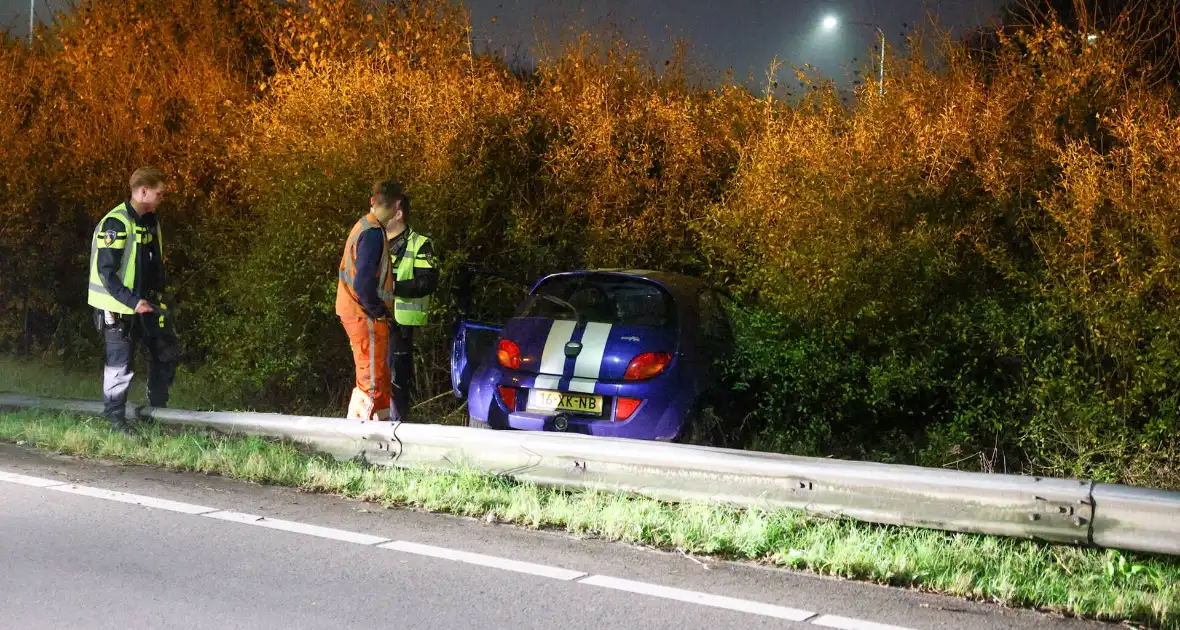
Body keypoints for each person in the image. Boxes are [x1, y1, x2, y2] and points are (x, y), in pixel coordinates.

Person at [86, 167, 177, 435]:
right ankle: (115, 422)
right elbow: (106, 273)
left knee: (166, 351)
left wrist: (157, 296)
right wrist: (133, 301)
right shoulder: (116, 224)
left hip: (144, 303)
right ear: (143, 191)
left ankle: (156, 411)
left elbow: (152, 263)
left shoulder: (150, 220)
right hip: (118, 307)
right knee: (120, 365)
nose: (162, 198)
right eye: (159, 193)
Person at [336, 180, 401, 421]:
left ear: (372, 201)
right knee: (371, 385)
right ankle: (357, 445)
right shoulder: (373, 233)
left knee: (379, 379)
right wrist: (378, 311)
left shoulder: (364, 226)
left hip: (357, 311)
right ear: (396, 207)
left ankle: (382, 437)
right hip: (365, 315)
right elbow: (364, 283)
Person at [384, 187, 439, 423]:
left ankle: (396, 433)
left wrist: (394, 287)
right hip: (373, 319)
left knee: (397, 380)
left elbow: (427, 282)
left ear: (398, 213)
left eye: (382, 207)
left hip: (401, 324)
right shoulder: (375, 241)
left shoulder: (420, 244)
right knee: (374, 376)